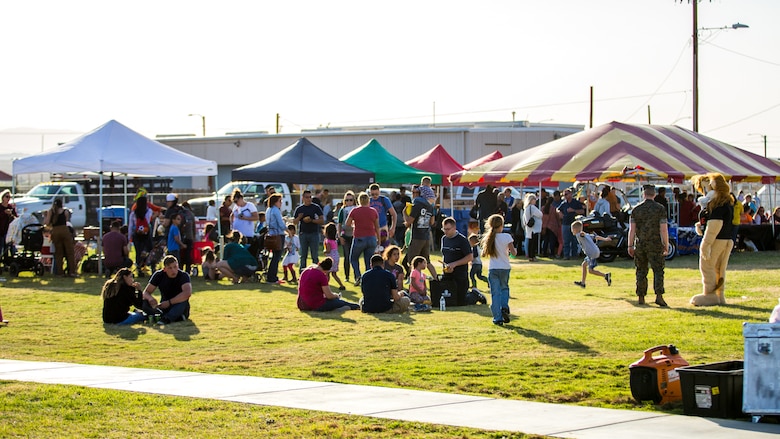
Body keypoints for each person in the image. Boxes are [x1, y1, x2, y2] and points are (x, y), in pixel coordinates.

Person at [691, 174, 733, 306]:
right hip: (727, 238)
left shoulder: (719, 204)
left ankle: (710, 294)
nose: (705, 191)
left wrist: (706, 243)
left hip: (716, 239)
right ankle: (720, 296)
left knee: (707, 265)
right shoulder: (727, 202)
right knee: (719, 269)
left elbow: (715, 225)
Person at [627, 185, 669, 307]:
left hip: (640, 244)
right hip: (655, 244)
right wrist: (666, 244)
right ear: (654, 194)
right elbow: (664, 229)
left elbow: (632, 230)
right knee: (658, 270)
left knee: (641, 270)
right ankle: (659, 296)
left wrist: (630, 245)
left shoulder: (636, 210)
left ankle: (641, 296)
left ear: (644, 194)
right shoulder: (660, 209)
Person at [481, 214, 516, 325]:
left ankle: (497, 317)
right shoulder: (506, 237)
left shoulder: (489, 238)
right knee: (504, 288)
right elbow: (513, 253)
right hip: (505, 267)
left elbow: (483, 254)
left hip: (493, 268)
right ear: (501, 225)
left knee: (495, 293)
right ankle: (504, 307)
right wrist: (511, 252)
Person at [141, 255, 192, 325]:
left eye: (175, 267)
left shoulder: (183, 276)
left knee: (183, 301)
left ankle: (166, 318)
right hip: (163, 305)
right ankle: (157, 315)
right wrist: (150, 299)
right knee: (145, 301)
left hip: (178, 305)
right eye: (170, 268)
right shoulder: (159, 275)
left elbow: (187, 293)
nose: (173, 270)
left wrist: (169, 302)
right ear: (164, 269)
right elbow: (146, 292)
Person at [404, 185, 438, 279]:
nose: (413, 195)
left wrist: (405, 213)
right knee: (427, 261)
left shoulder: (417, 205)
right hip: (426, 236)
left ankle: (413, 281)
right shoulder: (430, 207)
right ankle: (436, 278)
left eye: (415, 193)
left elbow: (408, 222)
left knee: (412, 261)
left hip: (417, 237)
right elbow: (432, 222)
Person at [346, 192, 380, 285]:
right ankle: (367, 280)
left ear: (359, 200)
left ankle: (358, 276)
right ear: (368, 200)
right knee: (369, 261)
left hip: (359, 237)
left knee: (353, 258)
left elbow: (347, 223)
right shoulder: (373, 211)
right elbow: (377, 227)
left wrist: (354, 224)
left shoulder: (355, 211)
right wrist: (379, 240)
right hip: (371, 237)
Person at [440, 216, 473, 306]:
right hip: (447, 274)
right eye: (444, 229)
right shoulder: (444, 239)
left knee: (461, 302)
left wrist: (455, 264)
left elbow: (470, 257)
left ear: (454, 228)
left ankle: (475, 295)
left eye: (448, 229)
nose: (446, 231)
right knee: (448, 300)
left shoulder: (462, 240)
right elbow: (445, 254)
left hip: (460, 275)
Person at [570, 220, 612, 288]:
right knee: (584, 265)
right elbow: (596, 237)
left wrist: (581, 233)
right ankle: (583, 283)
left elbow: (581, 235)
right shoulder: (587, 235)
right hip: (593, 252)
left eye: (572, 229)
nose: (572, 231)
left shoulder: (579, 235)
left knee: (591, 271)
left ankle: (606, 276)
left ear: (575, 229)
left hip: (592, 253)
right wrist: (605, 239)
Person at [44, 198, 77, 277]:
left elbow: (47, 223)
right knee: (70, 252)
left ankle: (60, 272)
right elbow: (66, 221)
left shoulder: (51, 211)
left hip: (55, 231)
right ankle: (72, 272)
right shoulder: (65, 211)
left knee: (59, 253)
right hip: (64, 231)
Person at [293, 190, 324, 272]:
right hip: (303, 234)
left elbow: (322, 220)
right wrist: (299, 218)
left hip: (314, 233)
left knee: (315, 255)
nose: (309, 199)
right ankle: (302, 273)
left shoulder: (316, 207)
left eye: (310, 197)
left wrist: (312, 220)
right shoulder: (299, 209)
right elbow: (294, 222)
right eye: (307, 197)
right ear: (302, 198)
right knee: (303, 255)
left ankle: (317, 273)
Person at [557, 188, 586, 260]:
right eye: (564, 195)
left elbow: (582, 211)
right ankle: (566, 255)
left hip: (574, 223)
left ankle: (574, 255)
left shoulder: (575, 203)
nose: (565, 196)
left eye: (566, 194)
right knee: (566, 241)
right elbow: (558, 209)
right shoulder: (564, 203)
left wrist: (574, 210)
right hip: (565, 223)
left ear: (570, 194)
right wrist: (560, 213)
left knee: (574, 240)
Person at [264, 193, 286, 284]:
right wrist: (287, 229)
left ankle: (271, 276)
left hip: (271, 234)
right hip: (278, 235)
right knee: (277, 257)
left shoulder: (268, 210)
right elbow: (281, 225)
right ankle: (272, 277)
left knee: (274, 257)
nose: (281, 203)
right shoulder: (276, 210)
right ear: (275, 202)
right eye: (279, 201)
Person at [129, 196, 153, 277]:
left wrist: (129, 237)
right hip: (146, 235)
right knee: (147, 250)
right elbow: (149, 222)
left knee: (138, 252)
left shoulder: (133, 213)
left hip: (137, 235)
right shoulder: (149, 211)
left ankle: (139, 268)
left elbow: (130, 226)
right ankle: (146, 265)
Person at [337, 190, 357, 282]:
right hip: (345, 235)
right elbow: (339, 224)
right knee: (346, 256)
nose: (349, 202)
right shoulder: (342, 210)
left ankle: (357, 276)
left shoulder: (356, 209)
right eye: (347, 200)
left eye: (351, 200)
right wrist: (339, 236)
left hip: (355, 235)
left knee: (354, 256)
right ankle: (347, 276)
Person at [323, 223, 346, 291]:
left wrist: (324, 251)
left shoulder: (327, 241)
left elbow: (328, 250)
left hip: (331, 258)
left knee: (327, 273)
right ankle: (341, 285)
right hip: (336, 257)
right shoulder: (334, 241)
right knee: (334, 274)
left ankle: (325, 285)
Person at [541, 192, 562, 258]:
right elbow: (557, 217)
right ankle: (552, 253)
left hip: (545, 226)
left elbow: (543, 217)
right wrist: (559, 225)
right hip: (552, 226)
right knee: (552, 241)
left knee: (546, 240)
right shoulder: (553, 209)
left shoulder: (543, 208)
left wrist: (543, 226)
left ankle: (544, 252)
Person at [523, 193, 543, 262]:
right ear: (531, 200)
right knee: (533, 243)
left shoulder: (526, 208)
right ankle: (532, 256)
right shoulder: (532, 207)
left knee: (530, 242)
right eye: (534, 199)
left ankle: (530, 256)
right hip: (534, 228)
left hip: (529, 228)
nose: (535, 200)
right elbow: (540, 214)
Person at [0, 189, 17, 258]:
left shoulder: (10, 207)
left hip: (9, 231)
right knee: (1, 247)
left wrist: (11, 214)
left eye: (9, 197)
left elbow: (15, 217)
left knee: (9, 247)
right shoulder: (0, 207)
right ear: (3, 198)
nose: (8, 199)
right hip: (1, 231)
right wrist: (4, 213)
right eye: (7, 197)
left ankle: (8, 262)